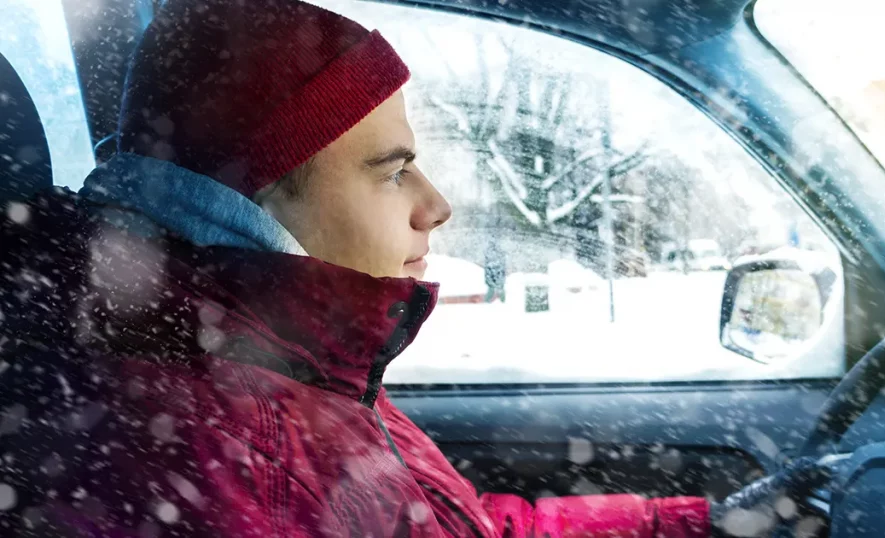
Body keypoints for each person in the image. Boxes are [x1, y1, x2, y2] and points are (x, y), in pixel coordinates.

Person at [0, 1, 830, 536]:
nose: (436, 205)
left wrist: (698, 524)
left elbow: (450, 525)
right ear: (251, 198)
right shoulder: (212, 440)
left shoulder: (284, 373)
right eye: (392, 170)